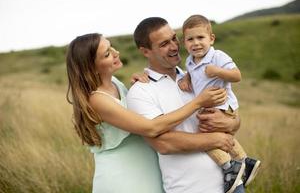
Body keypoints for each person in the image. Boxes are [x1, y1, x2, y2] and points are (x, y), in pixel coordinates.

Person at [65, 33, 228, 193]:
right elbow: (151, 127)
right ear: (91, 67)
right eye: (107, 54)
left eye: (111, 47)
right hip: (122, 176)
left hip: (145, 169)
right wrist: (198, 102)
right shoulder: (97, 99)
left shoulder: (114, 83)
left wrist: (135, 87)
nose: (116, 53)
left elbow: (131, 113)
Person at [126, 17, 244, 193]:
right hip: (191, 188)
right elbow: (164, 144)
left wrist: (233, 123)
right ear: (145, 51)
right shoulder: (141, 91)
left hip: (233, 185)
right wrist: (215, 138)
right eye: (164, 43)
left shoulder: (196, 77)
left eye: (174, 38)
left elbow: (230, 114)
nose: (174, 46)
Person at [178, 14, 261, 193]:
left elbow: (237, 76)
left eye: (200, 37)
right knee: (217, 136)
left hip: (224, 106)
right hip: (211, 108)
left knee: (206, 139)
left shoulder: (217, 56)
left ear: (211, 38)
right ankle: (245, 161)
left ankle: (228, 166)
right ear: (184, 43)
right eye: (190, 39)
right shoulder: (190, 61)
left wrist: (217, 71)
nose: (196, 43)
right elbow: (192, 73)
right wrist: (186, 78)